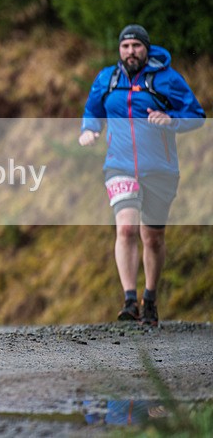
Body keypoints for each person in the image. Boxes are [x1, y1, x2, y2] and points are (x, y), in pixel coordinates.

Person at [79, 24, 205, 327]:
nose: (130, 51)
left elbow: (196, 115)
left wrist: (171, 118)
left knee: (153, 238)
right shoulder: (107, 79)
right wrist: (89, 129)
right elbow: (92, 110)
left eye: (136, 45)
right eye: (125, 46)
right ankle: (129, 299)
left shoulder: (167, 79)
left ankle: (150, 297)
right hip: (119, 165)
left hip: (160, 169)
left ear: (146, 48)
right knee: (126, 229)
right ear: (119, 50)